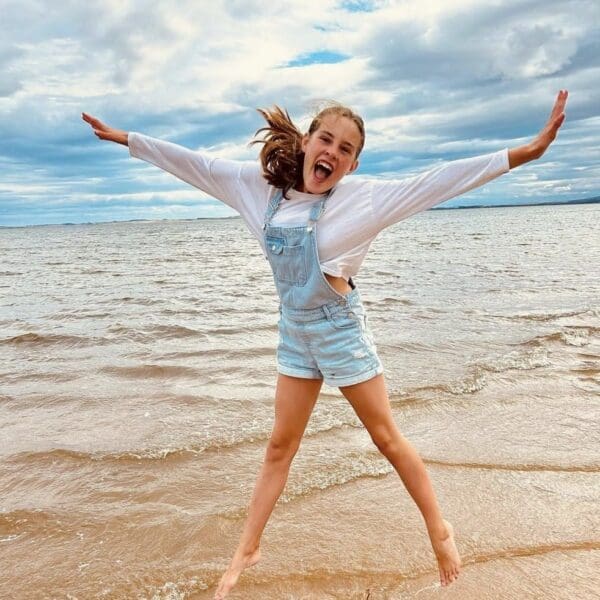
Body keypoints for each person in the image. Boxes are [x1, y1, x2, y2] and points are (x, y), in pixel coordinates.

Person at [82, 89, 568, 598]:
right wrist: (129, 140)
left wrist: (528, 152)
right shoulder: (259, 189)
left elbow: (438, 180)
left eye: (345, 149)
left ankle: (439, 531)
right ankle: (246, 549)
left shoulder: (364, 200)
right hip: (295, 330)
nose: (332, 153)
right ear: (308, 141)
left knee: (384, 437)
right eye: (326, 139)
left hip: (340, 330)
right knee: (278, 447)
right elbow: (197, 165)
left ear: (353, 163)